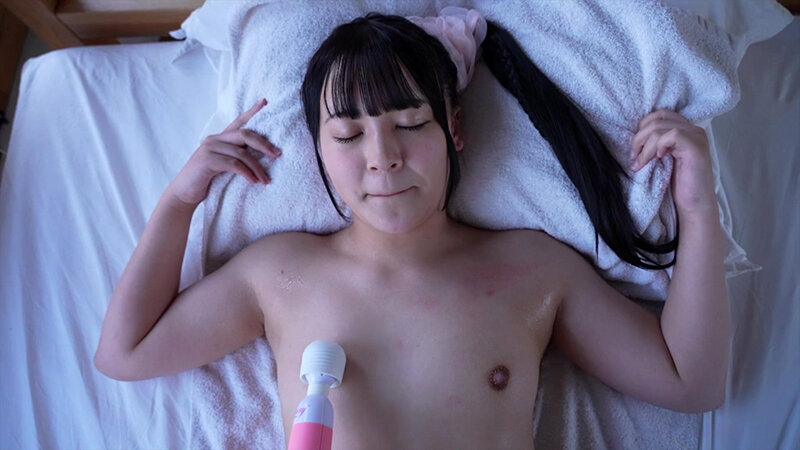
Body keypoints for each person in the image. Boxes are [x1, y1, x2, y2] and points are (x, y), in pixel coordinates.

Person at [94, 9, 729, 449]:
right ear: (319, 152)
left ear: (454, 130)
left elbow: (689, 382)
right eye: (349, 135)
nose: (383, 157)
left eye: (410, 124)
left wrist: (698, 206)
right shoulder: (279, 273)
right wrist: (180, 202)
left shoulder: (533, 271)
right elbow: (125, 353)